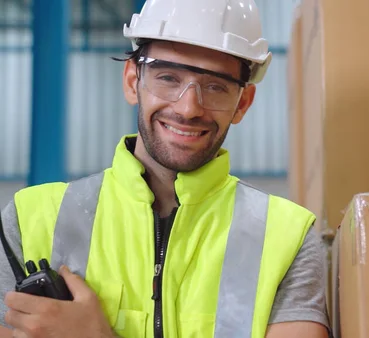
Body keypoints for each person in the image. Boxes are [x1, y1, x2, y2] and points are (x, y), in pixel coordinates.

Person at [0, 0, 331, 337]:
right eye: (168, 78)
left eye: (215, 86)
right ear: (132, 81)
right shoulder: (29, 221)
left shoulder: (287, 237)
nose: (188, 108)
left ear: (242, 103)